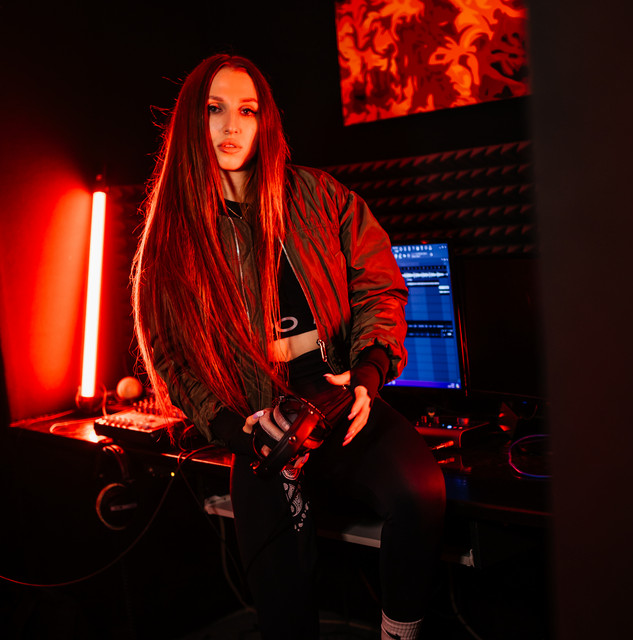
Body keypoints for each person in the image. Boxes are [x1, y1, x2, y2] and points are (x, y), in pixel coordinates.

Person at [132, 54, 446, 640]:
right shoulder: (174, 233)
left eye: (247, 111)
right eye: (215, 110)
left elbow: (379, 285)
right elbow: (171, 355)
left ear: (265, 120)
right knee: (281, 593)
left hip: (339, 399)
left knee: (421, 493)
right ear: (192, 121)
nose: (231, 127)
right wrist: (234, 431)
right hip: (258, 423)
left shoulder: (318, 195)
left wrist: (370, 371)